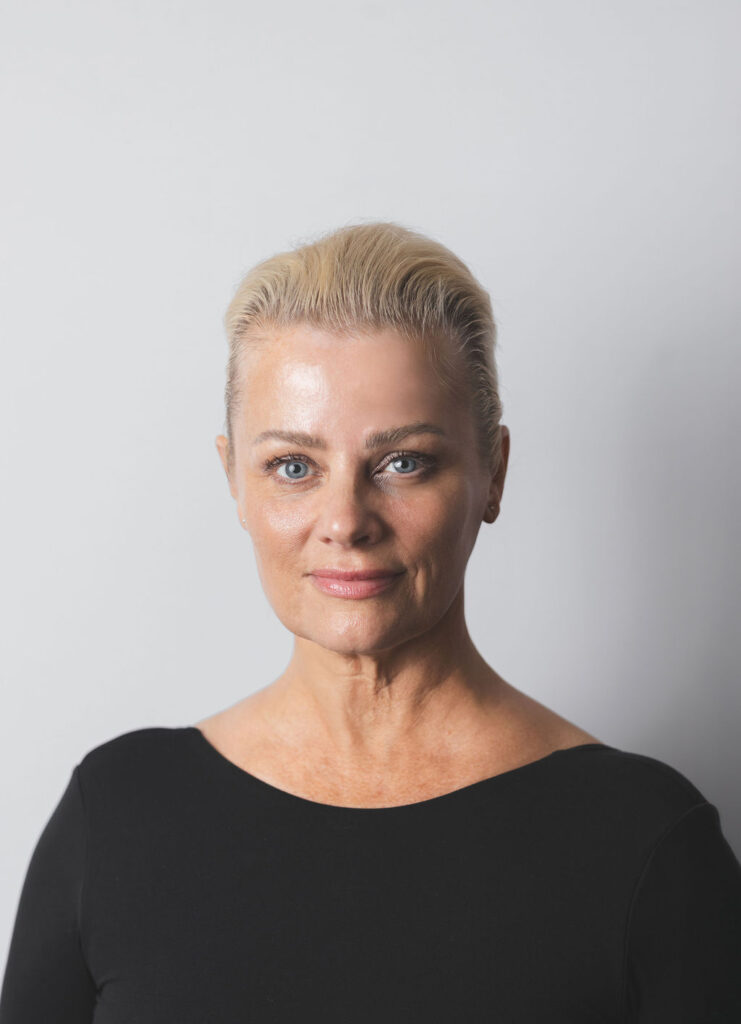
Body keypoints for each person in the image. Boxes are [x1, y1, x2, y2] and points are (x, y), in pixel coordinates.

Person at [1, 221, 740, 1022]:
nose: (345, 521)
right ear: (234, 482)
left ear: (491, 475)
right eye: (293, 466)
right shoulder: (117, 818)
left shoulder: (645, 840)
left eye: (403, 463)